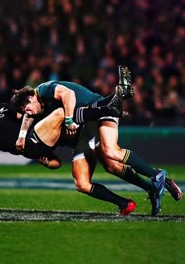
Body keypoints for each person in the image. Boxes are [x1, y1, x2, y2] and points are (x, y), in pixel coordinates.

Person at [11, 66, 182, 215]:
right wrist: (21, 136)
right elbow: (27, 116)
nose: (30, 113)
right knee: (86, 180)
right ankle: (151, 189)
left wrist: (69, 120)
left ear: (31, 98)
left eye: (28, 108)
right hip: (87, 126)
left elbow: (68, 94)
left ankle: (157, 175)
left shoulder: (43, 90)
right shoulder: (38, 106)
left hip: (100, 110)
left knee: (110, 151)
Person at [0, 89, 136, 216]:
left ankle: (125, 204)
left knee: (77, 172)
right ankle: (107, 108)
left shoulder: (4, 108)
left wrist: (26, 134)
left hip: (37, 139)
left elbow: (27, 115)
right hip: (31, 144)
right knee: (60, 113)